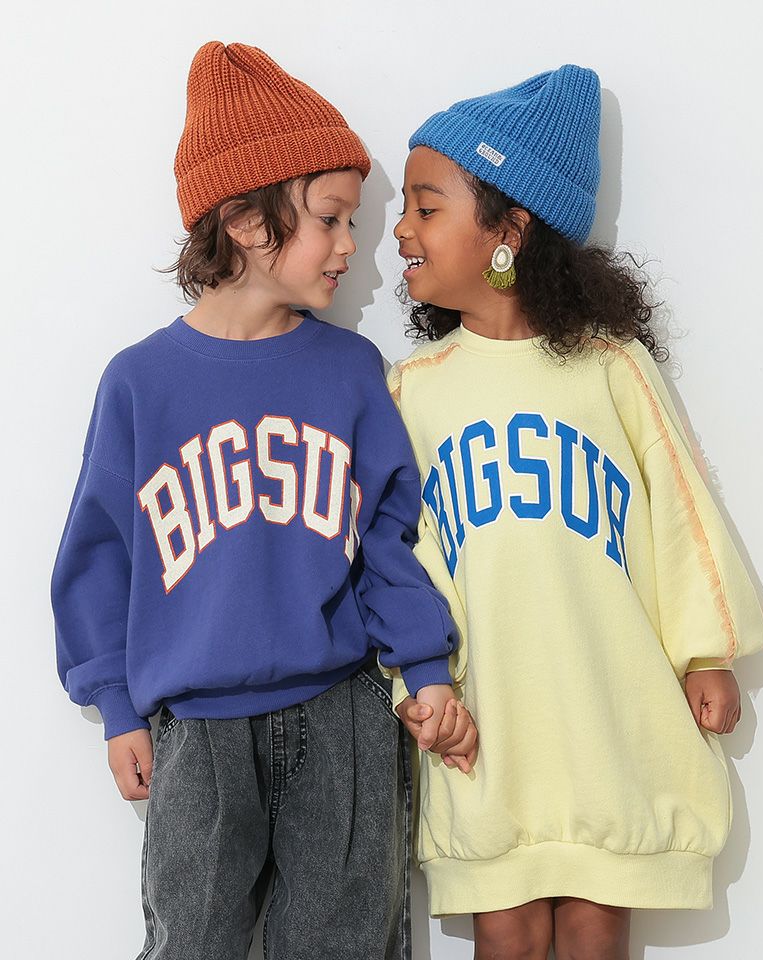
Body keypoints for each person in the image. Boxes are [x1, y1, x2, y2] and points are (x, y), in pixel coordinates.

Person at [51, 40, 462, 960]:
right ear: (243, 219)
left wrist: (426, 666)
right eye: (330, 218)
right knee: (191, 944)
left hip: (344, 717)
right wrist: (116, 705)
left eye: (353, 221)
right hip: (195, 733)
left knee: (346, 945)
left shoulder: (350, 371)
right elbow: (99, 555)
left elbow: (388, 537)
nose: (351, 246)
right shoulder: (140, 384)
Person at [388, 64, 763, 959]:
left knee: (597, 923)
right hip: (485, 716)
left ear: (510, 230)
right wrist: (417, 683)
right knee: (506, 927)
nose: (400, 229)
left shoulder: (611, 366)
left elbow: (680, 510)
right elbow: (398, 556)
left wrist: (707, 650)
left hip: (606, 707)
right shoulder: (412, 390)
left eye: (427, 207)